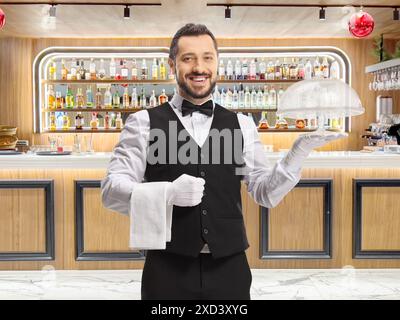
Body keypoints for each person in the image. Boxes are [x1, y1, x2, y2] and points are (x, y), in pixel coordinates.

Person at [101, 23, 346, 300]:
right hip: (167, 266)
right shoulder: (143, 122)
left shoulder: (242, 124)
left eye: (207, 57)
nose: (199, 67)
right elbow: (111, 190)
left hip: (230, 266)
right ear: (172, 65)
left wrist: (297, 154)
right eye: (188, 58)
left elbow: (265, 192)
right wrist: (167, 193)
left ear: (217, 63)